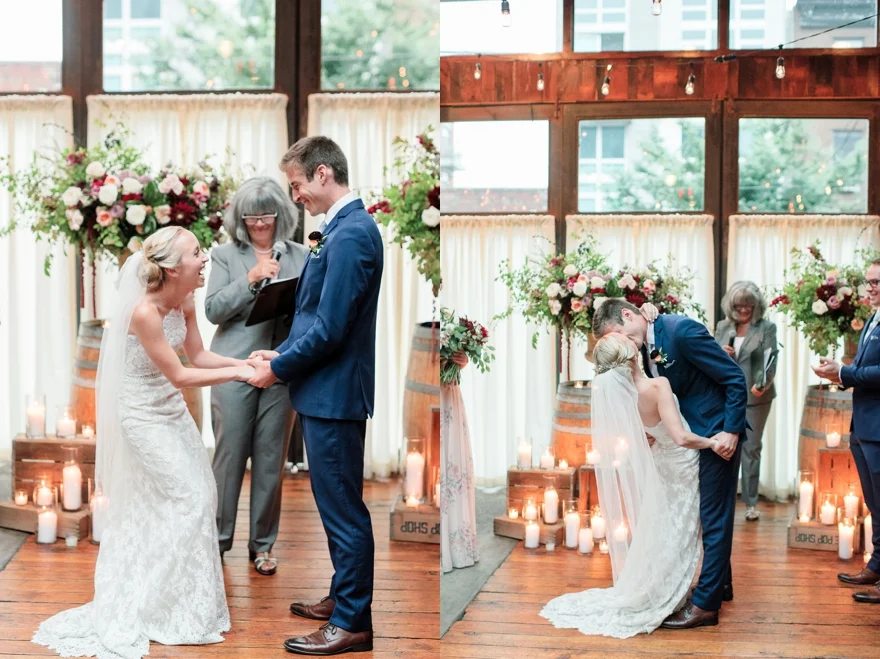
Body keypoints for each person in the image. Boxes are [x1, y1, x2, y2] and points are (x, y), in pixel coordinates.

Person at [33, 227, 255, 658]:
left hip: (170, 408)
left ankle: (175, 601)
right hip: (139, 412)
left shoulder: (186, 299)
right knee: (188, 496)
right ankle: (148, 600)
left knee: (202, 493)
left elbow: (199, 356)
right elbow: (182, 375)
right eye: (196, 252)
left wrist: (245, 360)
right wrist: (243, 374)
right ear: (173, 268)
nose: (205, 257)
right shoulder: (143, 312)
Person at [247, 136, 383, 655]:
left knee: (344, 510)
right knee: (333, 507)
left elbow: (330, 329)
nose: (295, 195)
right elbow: (313, 317)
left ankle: (352, 622)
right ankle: (342, 597)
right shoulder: (342, 230)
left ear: (324, 174)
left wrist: (277, 367)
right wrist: (276, 353)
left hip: (335, 394)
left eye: (298, 184)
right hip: (323, 390)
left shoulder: (351, 235)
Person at [541, 332, 719, 637]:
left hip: (661, 461)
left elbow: (648, 435)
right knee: (680, 528)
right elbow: (681, 437)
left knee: (663, 527)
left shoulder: (624, 397)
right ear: (633, 356)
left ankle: (655, 584)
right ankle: (668, 590)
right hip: (681, 461)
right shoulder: (657, 386)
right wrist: (713, 442)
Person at [589, 300, 748, 629]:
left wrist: (730, 431)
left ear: (630, 315)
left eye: (618, 333)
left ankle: (705, 605)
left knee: (713, 518)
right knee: (707, 517)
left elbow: (734, 378)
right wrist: (655, 430)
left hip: (715, 433)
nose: (620, 343)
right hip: (682, 438)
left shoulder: (681, 332)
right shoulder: (639, 346)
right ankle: (719, 585)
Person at [205, 176, 309, 576]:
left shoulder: (302, 255)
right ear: (239, 218)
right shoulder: (224, 256)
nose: (260, 225)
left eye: (266, 216)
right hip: (234, 368)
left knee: (271, 459)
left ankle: (263, 545)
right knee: (229, 458)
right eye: (251, 218)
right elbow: (214, 309)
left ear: (281, 215)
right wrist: (250, 280)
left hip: (282, 368)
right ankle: (216, 542)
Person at [814, 258, 880, 603]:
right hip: (863, 425)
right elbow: (865, 367)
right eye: (869, 282)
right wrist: (838, 372)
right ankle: (876, 566)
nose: (871, 288)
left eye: (877, 282)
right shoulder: (872, 318)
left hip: (879, 427)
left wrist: (845, 373)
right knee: (874, 502)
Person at [714, 281, 778, 522]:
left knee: (751, 449)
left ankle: (751, 503)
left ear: (756, 306)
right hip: (726, 396)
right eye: (739, 306)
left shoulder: (766, 328)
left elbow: (769, 360)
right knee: (723, 447)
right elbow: (710, 355)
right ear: (731, 306)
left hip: (755, 397)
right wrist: (722, 352)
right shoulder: (723, 326)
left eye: (748, 306)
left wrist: (762, 384)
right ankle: (724, 500)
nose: (743, 310)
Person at [441, 350, 478, 573]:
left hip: (449, 391)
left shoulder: (448, 319)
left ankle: (458, 545)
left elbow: (457, 352)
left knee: (453, 468)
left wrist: (460, 360)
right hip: (434, 390)